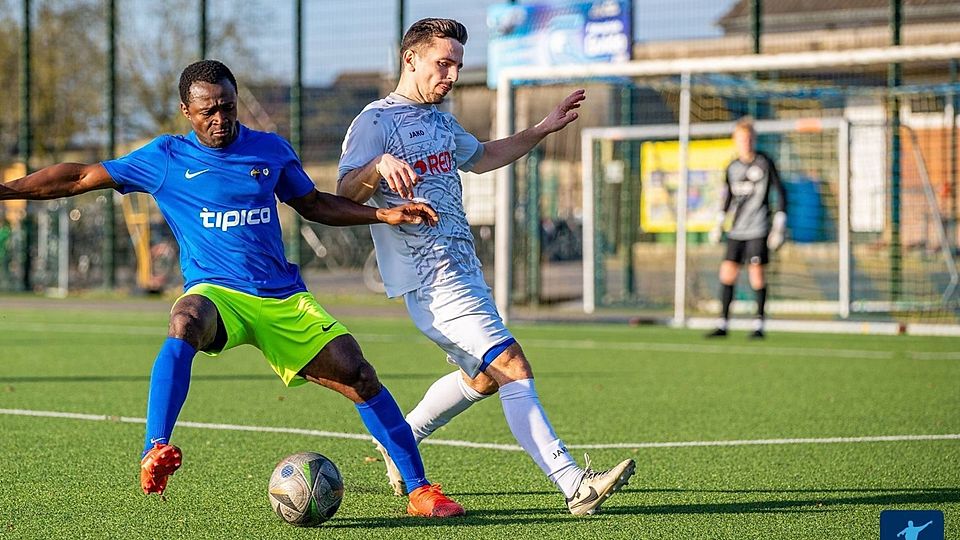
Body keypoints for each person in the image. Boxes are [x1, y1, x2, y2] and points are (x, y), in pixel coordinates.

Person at [0, 60, 466, 518]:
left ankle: (421, 490)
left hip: (281, 297)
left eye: (227, 107)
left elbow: (315, 205)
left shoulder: (270, 150)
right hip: (217, 293)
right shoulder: (164, 157)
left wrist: (381, 214)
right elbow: (79, 176)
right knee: (185, 320)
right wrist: (6, 190)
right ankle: (155, 448)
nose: (220, 119)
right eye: (208, 112)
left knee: (360, 375)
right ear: (187, 110)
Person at [337, 18, 635, 516]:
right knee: (511, 363)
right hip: (431, 278)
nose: (452, 74)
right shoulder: (375, 121)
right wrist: (376, 168)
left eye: (457, 65)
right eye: (443, 63)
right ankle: (573, 483)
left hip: (464, 270)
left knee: (484, 378)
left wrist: (542, 128)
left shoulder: (439, 120)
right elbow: (343, 193)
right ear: (410, 58)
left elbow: (483, 156)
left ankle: (401, 441)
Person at [707, 116, 787, 339]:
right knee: (727, 273)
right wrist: (719, 222)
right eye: (742, 139)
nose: (746, 143)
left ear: (754, 139)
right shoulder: (732, 167)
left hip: (759, 228)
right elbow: (728, 196)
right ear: (735, 140)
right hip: (737, 230)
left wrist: (779, 224)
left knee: (757, 276)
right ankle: (722, 324)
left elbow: (781, 192)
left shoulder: (765, 162)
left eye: (749, 138)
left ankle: (759, 325)